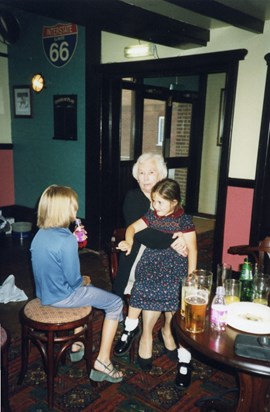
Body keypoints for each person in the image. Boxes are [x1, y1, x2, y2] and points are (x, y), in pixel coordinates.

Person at [30, 184, 124, 383]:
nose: (76, 210)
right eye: (73, 206)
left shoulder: (39, 235)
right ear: (63, 210)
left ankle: (76, 345)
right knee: (115, 303)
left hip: (44, 293)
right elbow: (73, 281)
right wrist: (72, 245)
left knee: (86, 284)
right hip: (63, 296)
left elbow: (52, 260)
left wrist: (72, 241)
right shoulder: (66, 240)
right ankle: (103, 362)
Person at [114, 178, 197, 386]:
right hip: (151, 263)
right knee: (142, 287)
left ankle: (184, 360)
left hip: (175, 268)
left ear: (174, 202)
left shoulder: (184, 221)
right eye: (153, 201)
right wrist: (129, 240)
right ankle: (138, 332)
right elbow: (132, 228)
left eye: (159, 202)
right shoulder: (152, 214)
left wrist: (191, 278)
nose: (153, 206)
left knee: (181, 309)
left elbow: (193, 250)